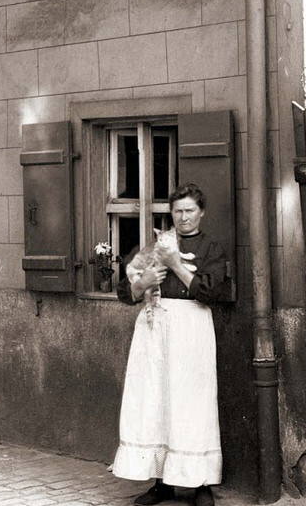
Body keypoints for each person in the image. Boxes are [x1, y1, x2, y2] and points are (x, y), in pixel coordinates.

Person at [111, 184, 230, 506]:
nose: (183, 217)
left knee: (192, 402)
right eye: (177, 211)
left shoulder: (211, 248)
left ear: (201, 212)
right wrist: (144, 283)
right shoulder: (155, 245)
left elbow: (208, 293)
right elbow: (126, 294)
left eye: (189, 210)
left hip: (191, 327)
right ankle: (161, 481)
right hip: (154, 327)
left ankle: (200, 483)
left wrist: (176, 263)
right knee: (156, 400)